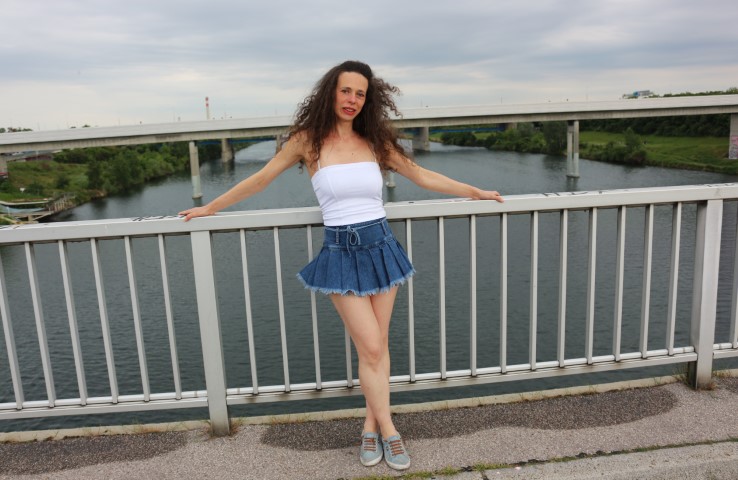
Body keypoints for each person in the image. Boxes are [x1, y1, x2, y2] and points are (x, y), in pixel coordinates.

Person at [179, 60, 504, 471]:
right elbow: (260, 179)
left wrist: (475, 192)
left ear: (369, 100)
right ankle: (390, 431)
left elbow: (421, 175)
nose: (352, 100)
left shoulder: (374, 141)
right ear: (331, 92)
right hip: (340, 252)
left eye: (360, 94)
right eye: (346, 90)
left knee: (377, 347)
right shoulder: (307, 141)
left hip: (381, 246)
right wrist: (209, 207)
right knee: (371, 346)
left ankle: (370, 426)